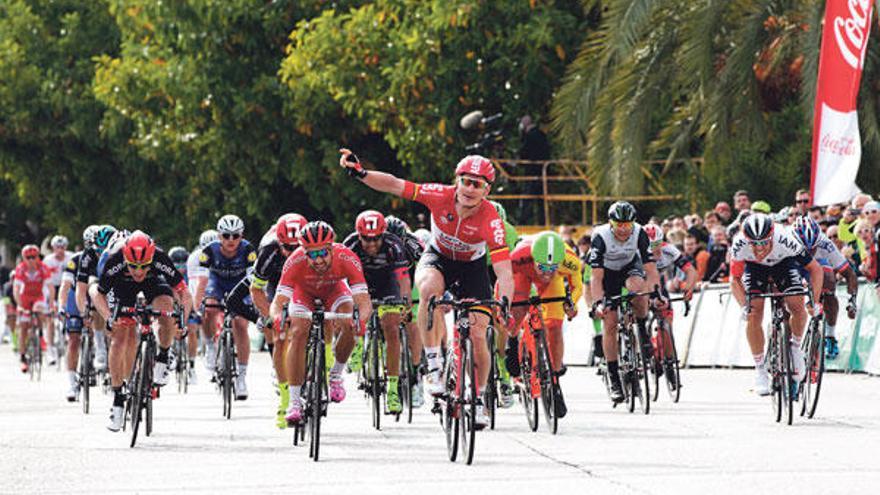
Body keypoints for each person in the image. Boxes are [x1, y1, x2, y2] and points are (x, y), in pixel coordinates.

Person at [338, 149, 513, 428]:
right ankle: (432, 367)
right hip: (439, 258)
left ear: (487, 190)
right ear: (456, 180)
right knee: (429, 290)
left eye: (477, 184)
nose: (469, 189)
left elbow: (504, 269)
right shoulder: (439, 195)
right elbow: (396, 184)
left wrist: (504, 302)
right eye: (465, 181)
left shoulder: (491, 219)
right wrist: (361, 173)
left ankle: (479, 399)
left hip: (472, 267)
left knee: (478, 333)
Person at [90, 231, 193, 431]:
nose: (138, 271)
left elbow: (184, 293)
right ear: (125, 258)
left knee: (166, 308)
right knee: (120, 336)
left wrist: (182, 321)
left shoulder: (160, 258)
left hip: (154, 283)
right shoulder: (115, 261)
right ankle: (118, 399)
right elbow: (98, 294)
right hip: (121, 286)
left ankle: (163, 356)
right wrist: (109, 317)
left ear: (151, 258)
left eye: (144, 266)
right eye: (133, 266)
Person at [270, 221, 372, 424]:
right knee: (298, 332)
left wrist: (361, 318)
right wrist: (277, 317)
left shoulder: (346, 257)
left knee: (350, 323)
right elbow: (278, 302)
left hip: (335, 290)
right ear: (304, 252)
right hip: (303, 293)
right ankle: (295, 401)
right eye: (312, 254)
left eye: (323, 253)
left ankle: (335, 375)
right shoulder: (295, 260)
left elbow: (363, 300)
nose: (318, 260)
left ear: (332, 248)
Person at [729, 214, 823, 396]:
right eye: (754, 244)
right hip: (754, 268)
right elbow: (735, 279)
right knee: (753, 314)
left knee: (797, 305)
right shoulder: (739, 244)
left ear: (772, 236)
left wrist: (814, 301)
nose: (759, 248)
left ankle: (795, 350)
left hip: (783, 264)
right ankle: (760, 370)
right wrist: (743, 306)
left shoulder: (786, 238)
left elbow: (815, 269)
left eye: (764, 242)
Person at [589, 202, 663, 403]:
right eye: (618, 224)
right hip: (607, 274)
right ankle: (613, 375)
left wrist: (656, 294)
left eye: (627, 225)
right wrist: (598, 303)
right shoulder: (600, 236)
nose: (623, 229)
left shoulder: (639, 233)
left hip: (630, 267)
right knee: (610, 323)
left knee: (638, 291)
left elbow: (651, 270)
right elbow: (595, 278)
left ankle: (642, 330)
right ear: (611, 223)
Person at [504, 231, 581, 417]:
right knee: (518, 312)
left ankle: (554, 382)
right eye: (543, 268)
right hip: (524, 276)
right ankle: (513, 342)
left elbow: (576, 286)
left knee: (554, 326)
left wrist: (571, 304)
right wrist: (505, 307)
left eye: (552, 268)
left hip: (552, 287)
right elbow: (504, 282)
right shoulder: (518, 257)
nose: (547, 273)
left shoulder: (569, 259)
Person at [343, 210, 412, 414]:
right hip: (360, 281)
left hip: (387, 282)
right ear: (358, 235)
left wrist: (405, 303)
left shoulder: (393, 245)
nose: (372, 245)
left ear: (383, 234)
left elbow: (403, 279)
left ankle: (392, 391)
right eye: (366, 239)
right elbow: (341, 280)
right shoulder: (351, 244)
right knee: (351, 310)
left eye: (376, 239)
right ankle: (355, 345)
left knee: (391, 327)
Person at [243, 213, 307, 428]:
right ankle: (286, 398)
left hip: (305, 284)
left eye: (296, 247)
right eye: (286, 248)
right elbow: (256, 289)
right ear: (278, 243)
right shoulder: (268, 252)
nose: (291, 253)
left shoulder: (314, 251)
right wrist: (268, 316)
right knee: (280, 337)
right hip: (276, 285)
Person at [195, 214, 256, 400]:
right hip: (217, 283)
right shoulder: (208, 251)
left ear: (242, 235)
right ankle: (211, 347)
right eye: (226, 236)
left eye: (235, 236)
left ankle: (242, 377)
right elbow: (202, 282)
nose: (231, 240)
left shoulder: (248, 250)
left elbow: (253, 283)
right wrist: (197, 307)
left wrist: (253, 305)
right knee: (210, 308)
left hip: (240, 284)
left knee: (241, 323)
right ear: (219, 236)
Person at [792, 216, 858, 360]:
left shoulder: (825, 244)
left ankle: (830, 335)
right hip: (795, 265)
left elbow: (850, 274)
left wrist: (852, 300)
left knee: (828, 281)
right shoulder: (787, 242)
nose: (810, 251)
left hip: (819, 267)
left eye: (813, 248)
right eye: (806, 248)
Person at [643, 223, 696, 389]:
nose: (655, 251)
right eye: (650, 247)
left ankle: (669, 365)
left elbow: (691, 271)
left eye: (657, 245)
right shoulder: (636, 253)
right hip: (642, 286)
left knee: (666, 326)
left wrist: (690, 286)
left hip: (659, 287)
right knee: (639, 315)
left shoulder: (669, 250)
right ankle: (642, 345)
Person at [75, 225, 116, 371]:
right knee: (94, 297)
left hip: (114, 283)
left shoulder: (119, 251)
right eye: (98, 250)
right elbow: (81, 287)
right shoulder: (87, 255)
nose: (101, 254)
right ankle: (100, 348)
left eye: (105, 250)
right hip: (97, 282)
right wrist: (83, 312)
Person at [12, 245, 52, 373]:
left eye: (33, 257)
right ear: (24, 258)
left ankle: (40, 336)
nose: (30, 260)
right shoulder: (20, 269)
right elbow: (16, 289)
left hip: (38, 296)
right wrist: (19, 305)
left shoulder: (43, 268)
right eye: (28, 257)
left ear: (37, 257)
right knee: (24, 327)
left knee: (40, 312)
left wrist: (51, 304)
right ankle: (23, 357)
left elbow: (50, 288)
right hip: (25, 297)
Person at [187, 229, 217, 376]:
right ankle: (210, 344)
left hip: (218, 286)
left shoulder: (223, 253)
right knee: (206, 312)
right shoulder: (194, 258)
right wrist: (195, 304)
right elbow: (195, 284)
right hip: (201, 289)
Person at [168, 245, 197, 383]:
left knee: (192, 330)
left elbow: (193, 291)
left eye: (182, 262)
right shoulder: (167, 273)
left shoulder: (190, 272)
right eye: (176, 263)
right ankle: (169, 350)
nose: (180, 266)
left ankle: (191, 365)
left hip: (187, 303)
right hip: (173, 304)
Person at [43, 235, 73, 366]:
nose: (60, 250)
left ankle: (68, 334)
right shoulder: (47, 261)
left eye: (62, 247)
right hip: (51, 288)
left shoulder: (71, 257)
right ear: (53, 248)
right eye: (57, 247)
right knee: (50, 318)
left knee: (68, 312)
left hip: (66, 287)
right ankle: (50, 348)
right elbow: (45, 282)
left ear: (66, 248)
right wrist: (50, 304)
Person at [518, 115, 550, 225]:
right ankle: (543, 222)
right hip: (543, 173)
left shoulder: (529, 136)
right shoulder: (542, 135)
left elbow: (524, 154)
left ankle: (523, 222)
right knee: (542, 201)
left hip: (531, 173)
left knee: (527, 199)